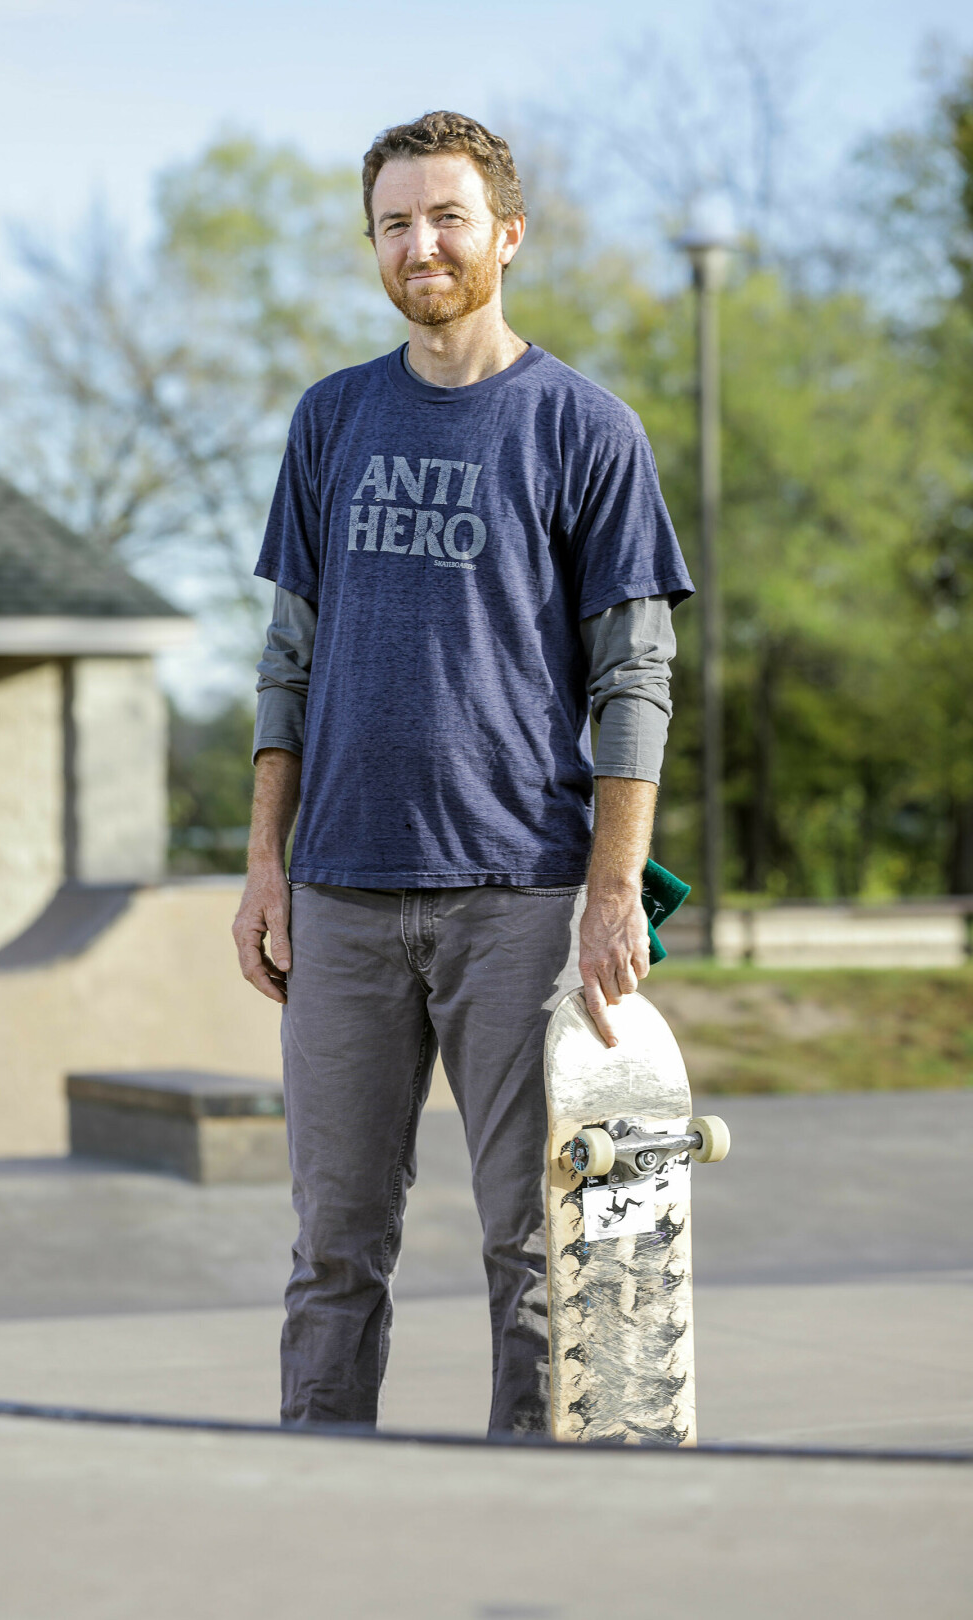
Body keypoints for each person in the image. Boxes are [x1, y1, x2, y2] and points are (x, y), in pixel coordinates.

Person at [232, 110, 693, 1435]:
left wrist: (612, 893)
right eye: (392, 221)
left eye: (444, 217)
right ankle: (322, 1505)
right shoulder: (333, 421)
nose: (418, 243)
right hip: (342, 895)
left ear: (507, 235)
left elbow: (635, 682)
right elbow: (288, 662)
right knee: (333, 1252)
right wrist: (265, 865)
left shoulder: (584, 428)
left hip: (520, 898)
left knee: (533, 1252)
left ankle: (524, 1516)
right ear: (372, 242)